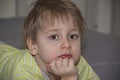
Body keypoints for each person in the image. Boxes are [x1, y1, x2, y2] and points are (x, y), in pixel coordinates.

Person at [0, 0, 100, 80]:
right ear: (33, 46)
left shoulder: (77, 63)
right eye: (54, 37)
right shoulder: (23, 70)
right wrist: (69, 78)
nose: (67, 44)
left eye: (72, 36)